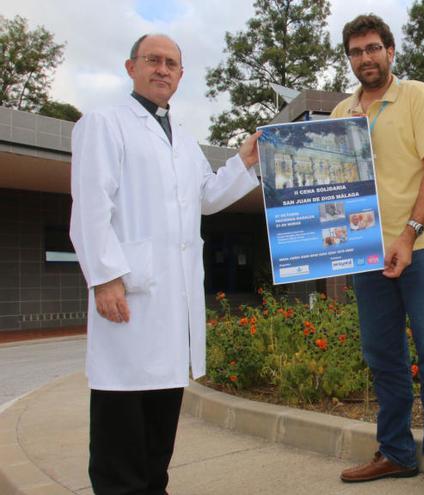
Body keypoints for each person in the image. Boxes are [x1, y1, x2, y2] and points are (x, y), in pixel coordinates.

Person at [69, 34, 262, 495]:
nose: (162, 69)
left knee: (159, 424)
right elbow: (91, 207)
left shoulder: (185, 141)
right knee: (122, 421)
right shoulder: (104, 123)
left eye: (171, 63)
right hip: (130, 294)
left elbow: (207, 197)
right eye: (152, 60)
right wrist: (106, 277)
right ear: (130, 66)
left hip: (172, 304)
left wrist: (243, 161)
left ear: (180, 75)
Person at [329, 14, 424, 495]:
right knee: (383, 356)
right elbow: (332, 187)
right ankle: (395, 453)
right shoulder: (342, 112)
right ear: (349, 59)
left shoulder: (418, 96)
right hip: (368, 256)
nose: (365, 58)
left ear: (390, 51)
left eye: (372, 48)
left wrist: (407, 237)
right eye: (356, 51)